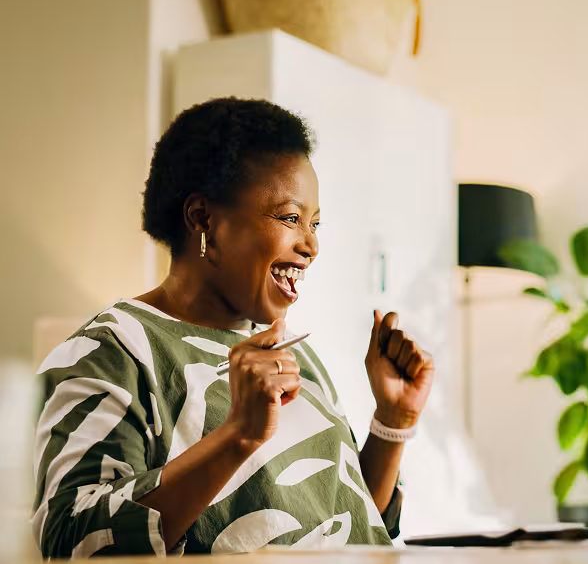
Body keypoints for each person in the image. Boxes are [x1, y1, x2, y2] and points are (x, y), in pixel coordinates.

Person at [32, 98, 434, 558]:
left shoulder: (293, 355)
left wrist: (392, 423)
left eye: (315, 223)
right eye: (290, 218)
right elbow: (70, 541)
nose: (311, 244)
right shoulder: (112, 350)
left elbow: (356, 526)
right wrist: (238, 434)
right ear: (203, 220)